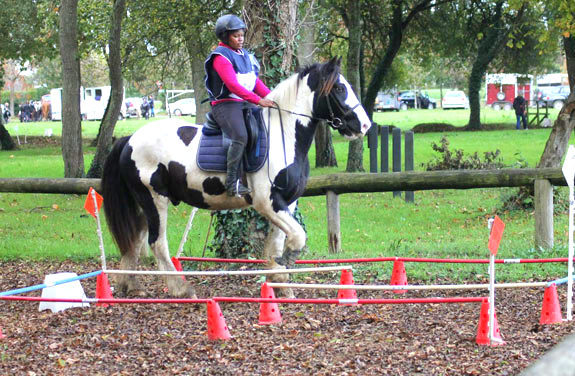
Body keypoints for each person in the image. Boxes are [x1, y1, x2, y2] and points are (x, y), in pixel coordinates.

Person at [204, 14, 275, 197]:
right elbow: (233, 85)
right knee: (240, 135)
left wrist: (273, 97)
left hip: (244, 102)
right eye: (236, 36)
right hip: (225, 104)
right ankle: (231, 183)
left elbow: (255, 82)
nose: (241, 38)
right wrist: (258, 101)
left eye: (242, 34)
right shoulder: (220, 56)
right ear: (225, 37)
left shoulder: (246, 56)